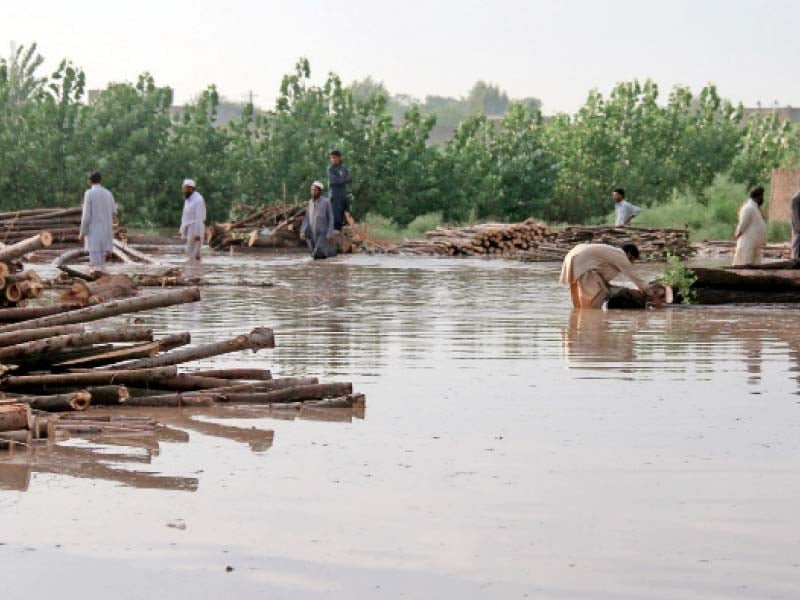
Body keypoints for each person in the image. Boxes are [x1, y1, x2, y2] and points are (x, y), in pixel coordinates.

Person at [559, 242, 659, 309]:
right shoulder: (621, 256)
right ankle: (591, 325)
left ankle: (582, 324)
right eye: (632, 260)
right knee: (595, 299)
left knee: (582, 302)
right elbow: (636, 277)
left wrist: (621, 288)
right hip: (581, 261)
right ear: (629, 254)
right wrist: (652, 295)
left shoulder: (611, 253)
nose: (631, 263)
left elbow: (601, 280)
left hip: (574, 257)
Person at [79, 171, 116, 269]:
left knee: (95, 266)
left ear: (89, 181)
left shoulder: (89, 193)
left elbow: (86, 216)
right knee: (102, 264)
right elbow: (114, 212)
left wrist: (82, 232)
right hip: (106, 233)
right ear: (101, 180)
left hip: (94, 233)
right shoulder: (109, 194)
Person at [300, 181, 337, 259]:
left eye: (315, 190)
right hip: (312, 234)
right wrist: (303, 231)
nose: (313, 192)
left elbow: (331, 218)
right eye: (312, 190)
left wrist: (329, 234)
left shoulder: (326, 202)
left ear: (320, 191)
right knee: (316, 255)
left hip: (323, 234)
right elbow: (306, 218)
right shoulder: (310, 202)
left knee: (317, 252)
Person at [733, 186, 767, 266]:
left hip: (753, 243)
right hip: (747, 242)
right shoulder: (748, 207)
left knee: (753, 265)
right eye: (762, 195)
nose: (763, 198)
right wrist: (737, 234)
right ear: (759, 196)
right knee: (744, 264)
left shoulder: (754, 207)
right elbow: (743, 224)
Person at [327, 150, 354, 232]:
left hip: (344, 195)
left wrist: (342, 180)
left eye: (334, 158)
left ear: (339, 158)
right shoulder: (330, 169)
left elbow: (350, 178)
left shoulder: (343, 167)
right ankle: (335, 234)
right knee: (336, 217)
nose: (332, 159)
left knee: (346, 215)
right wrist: (344, 179)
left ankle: (346, 235)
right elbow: (334, 181)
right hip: (335, 195)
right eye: (331, 158)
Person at [180, 179, 206, 262]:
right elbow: (185, 215)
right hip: (190, 229)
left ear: (191, 189)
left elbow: (199, 217)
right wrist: (181, 229)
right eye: (183, 189)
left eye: (186, 189)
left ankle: (193, 272)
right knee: (193, 252)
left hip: (196, 228)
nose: (184, 191)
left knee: (191, 251)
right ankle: (196, 271)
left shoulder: (198, 200)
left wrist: (197, 234)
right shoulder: (188, 200)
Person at [791, 190, 800, 260]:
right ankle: (794, 260)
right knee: (796, 242)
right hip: (798, 226)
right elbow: (795, 215)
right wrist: (798, 227)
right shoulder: (796, 198)